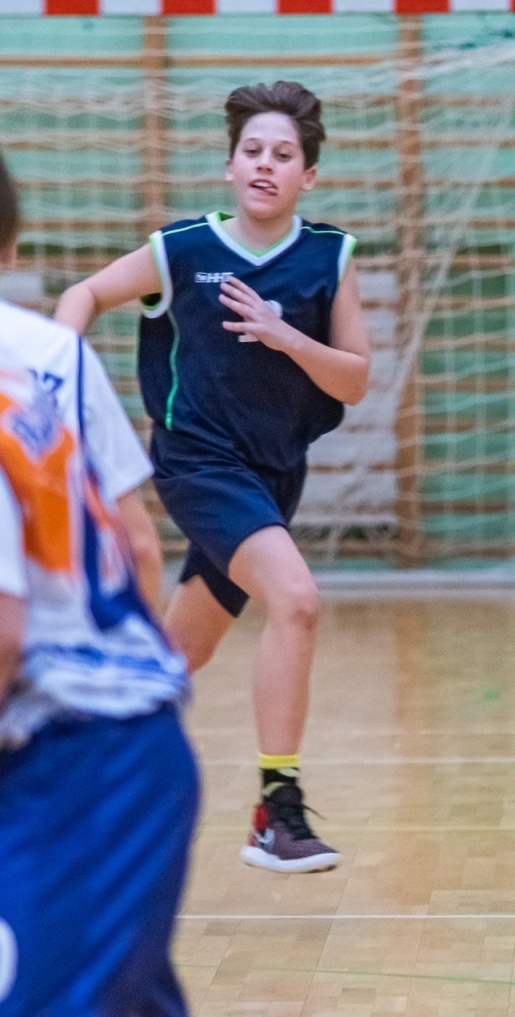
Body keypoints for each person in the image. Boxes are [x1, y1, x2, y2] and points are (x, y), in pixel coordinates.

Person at [56, 80, 371, 874]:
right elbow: (84, 293)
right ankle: (278, 809)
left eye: (284, 154)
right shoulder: (183, 250)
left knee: (173, 656)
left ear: (308, 176)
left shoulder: (329, 255)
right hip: (197, 463)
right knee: (296, 601)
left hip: (274, 475)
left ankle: (78, 779)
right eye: (253, 151)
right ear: (230, 166)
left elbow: (354, 380)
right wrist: (56, 377)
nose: (266, 163)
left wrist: (283, 336)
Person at [0, 148, 197, 1015]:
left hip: (81, 758)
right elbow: (140, 542)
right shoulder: (51, 351)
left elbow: (4, 628)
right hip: (120, 743)